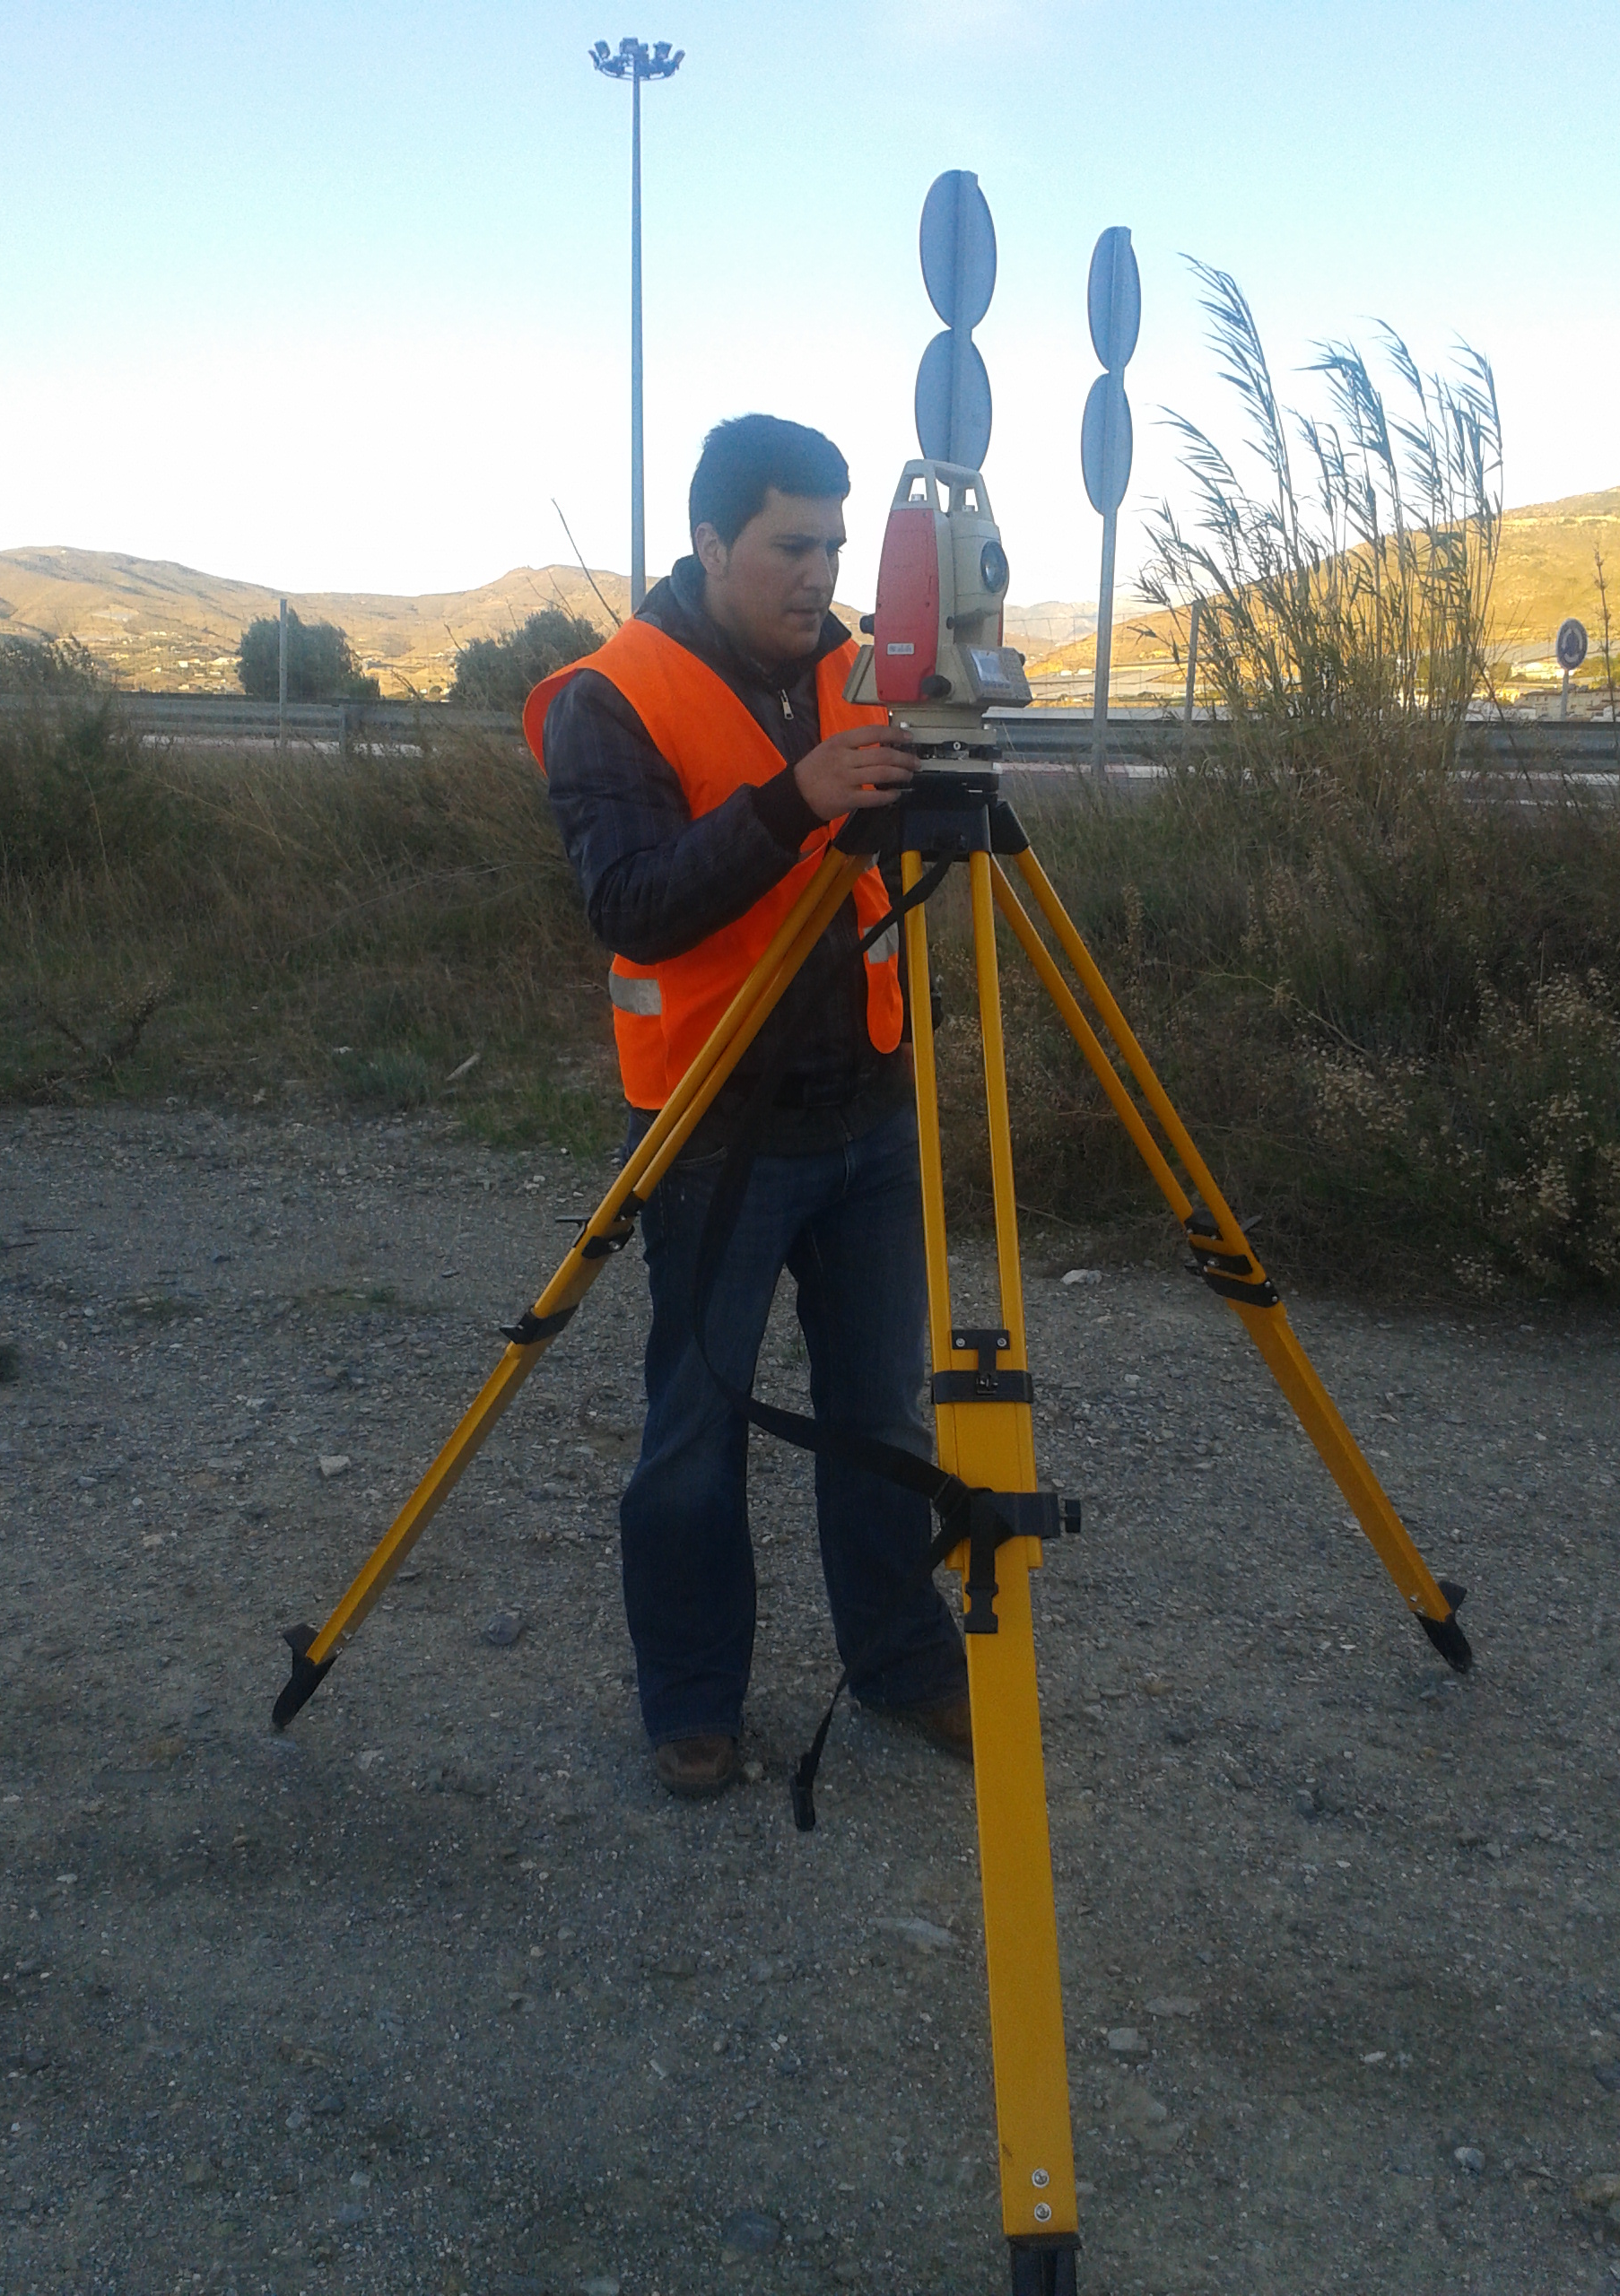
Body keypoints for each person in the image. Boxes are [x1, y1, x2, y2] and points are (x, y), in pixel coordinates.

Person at [527, 413, 971, 1798]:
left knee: (882, 1416)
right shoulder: (613, 696)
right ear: (711, 542)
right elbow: (632, 904)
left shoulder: (858, 668)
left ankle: (901, 1663)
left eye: (834, 545)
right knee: (694, 1431)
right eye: (791, 545)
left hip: (867, 1112)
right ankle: (693, 1701)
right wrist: (794, 801)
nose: (820, 573)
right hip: (713, 1125)